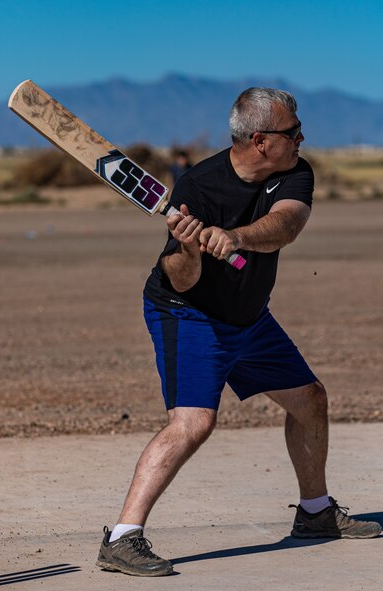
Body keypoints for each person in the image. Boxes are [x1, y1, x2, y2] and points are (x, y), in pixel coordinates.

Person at [96, 88, 382, 577]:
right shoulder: (197, 188)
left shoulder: (295, 171)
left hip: (249, 316)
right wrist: (188, 247)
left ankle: (315, 512)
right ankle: (122, 538)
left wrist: (234, 237)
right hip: (189, 313)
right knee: (193, 423)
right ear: (260, 140)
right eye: (293, 133)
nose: (302, 138)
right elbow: (181, 277)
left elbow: (286, 226)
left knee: (310, 398)